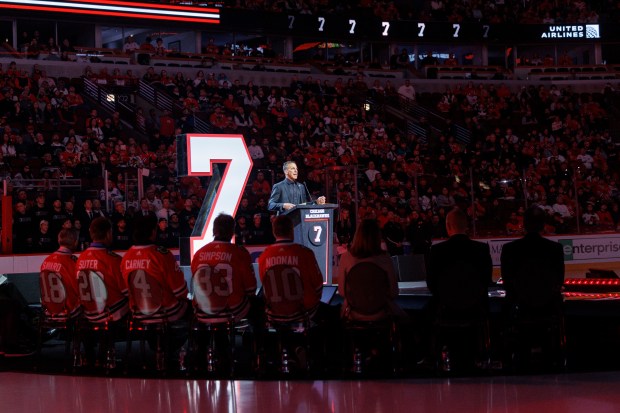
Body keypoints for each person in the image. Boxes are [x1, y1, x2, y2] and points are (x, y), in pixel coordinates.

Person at [121, 215, 188, 322]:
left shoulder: (126, 257)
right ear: (153, 232)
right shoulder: (162, 255)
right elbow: (180, 291)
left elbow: (125, 291)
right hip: (166, 313)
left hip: (138, 314)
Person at [190, 213, 257, 322]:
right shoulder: (240, 253)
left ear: (214, 230)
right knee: (257, 304)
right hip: (232, 310)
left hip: (203, 311)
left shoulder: (199, 253)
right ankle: (255, 338)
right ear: (232, 231)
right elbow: (251, 289)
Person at [427, 208, 492, 318]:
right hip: (476, 310)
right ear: (466, 225)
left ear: (448, 226)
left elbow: (431, 284)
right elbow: (486, 281)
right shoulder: (481, 249)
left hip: (446, 310)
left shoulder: (437, 251)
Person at [500, 206, 565, 315]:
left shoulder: (510, 249)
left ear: (524, 224)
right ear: (543, 225)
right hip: (549, 307)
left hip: (520, 307)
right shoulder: (555, 248)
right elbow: (559, 281)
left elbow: (507, 282)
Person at [258, 215, 323, 322]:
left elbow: (265, 286)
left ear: (274, 232)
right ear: (291, 231)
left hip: (275, 313)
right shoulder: (305, 253)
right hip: (304, 312)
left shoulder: (264, 256)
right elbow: (318, 287)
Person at [337, 219, 403, 321]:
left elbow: (342, 292)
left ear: (357, 235)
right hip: (381, 314)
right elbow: (393, 292)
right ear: (377, 237)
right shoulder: (385, 258)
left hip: (354, 314)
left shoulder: (346, 257)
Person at [76, 217, 128, 322]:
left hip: (88, 314)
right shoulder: (113, 259)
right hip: (112, 314)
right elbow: (127, 291)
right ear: (108, 233)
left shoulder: (80, 258)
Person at [39, 228, 81, 319]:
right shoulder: (72, 262)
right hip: (69, 313)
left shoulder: (46, 261)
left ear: (59, 240)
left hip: (49, 313)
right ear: (75, 242)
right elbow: (80, 291)